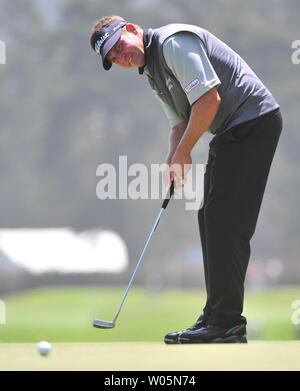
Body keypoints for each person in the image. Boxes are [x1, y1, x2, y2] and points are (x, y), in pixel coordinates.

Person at [89, 16, 282, 344]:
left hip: (253, 122)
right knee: (210, 217)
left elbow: (209, 99)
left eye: (120, 46)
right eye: (114, 58)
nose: (122, 57)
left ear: (133, 29)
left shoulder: (172, 43)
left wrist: (185, 153)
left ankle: (226, 322)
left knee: (225, 221)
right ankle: (217, 316)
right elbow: (179, 123)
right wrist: (173, 157)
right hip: (233, 130)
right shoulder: (152, 72)